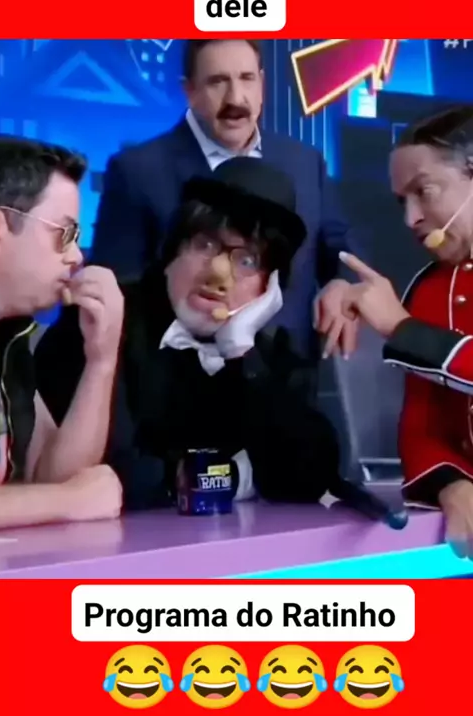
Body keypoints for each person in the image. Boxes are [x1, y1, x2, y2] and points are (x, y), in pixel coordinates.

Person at [35, 157, 352, 512]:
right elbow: (108, 477)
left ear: (269, 288)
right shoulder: (99, 320)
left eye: (247, 261)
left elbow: (311, 474)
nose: (218, 275)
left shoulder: (269, 355)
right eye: (205, 246)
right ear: (173, 250)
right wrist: (233, 477)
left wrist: (240, 351)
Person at [90, 38, 358, 359]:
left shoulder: (305, 162)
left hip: (292, 376)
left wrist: (342, 284)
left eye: (247, 78)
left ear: (262, 84)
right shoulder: (137, 171)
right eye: (217, 81)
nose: (235, 98)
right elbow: (116, 292)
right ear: (189, 90)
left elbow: (342, 249)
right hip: (178, 379)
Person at [338, 106, 473, 558]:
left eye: (424, 192)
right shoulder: (428, 288)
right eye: (402, 201)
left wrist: (400, 328)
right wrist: (452, 484)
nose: (411, 217)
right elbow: (421, 424)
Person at [0, 136, 124, 529]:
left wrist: (101, 359)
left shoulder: (9, 338)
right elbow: (69, 494)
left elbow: (56, 476)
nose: (77, 256)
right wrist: (66, 501)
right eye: (63, 234)